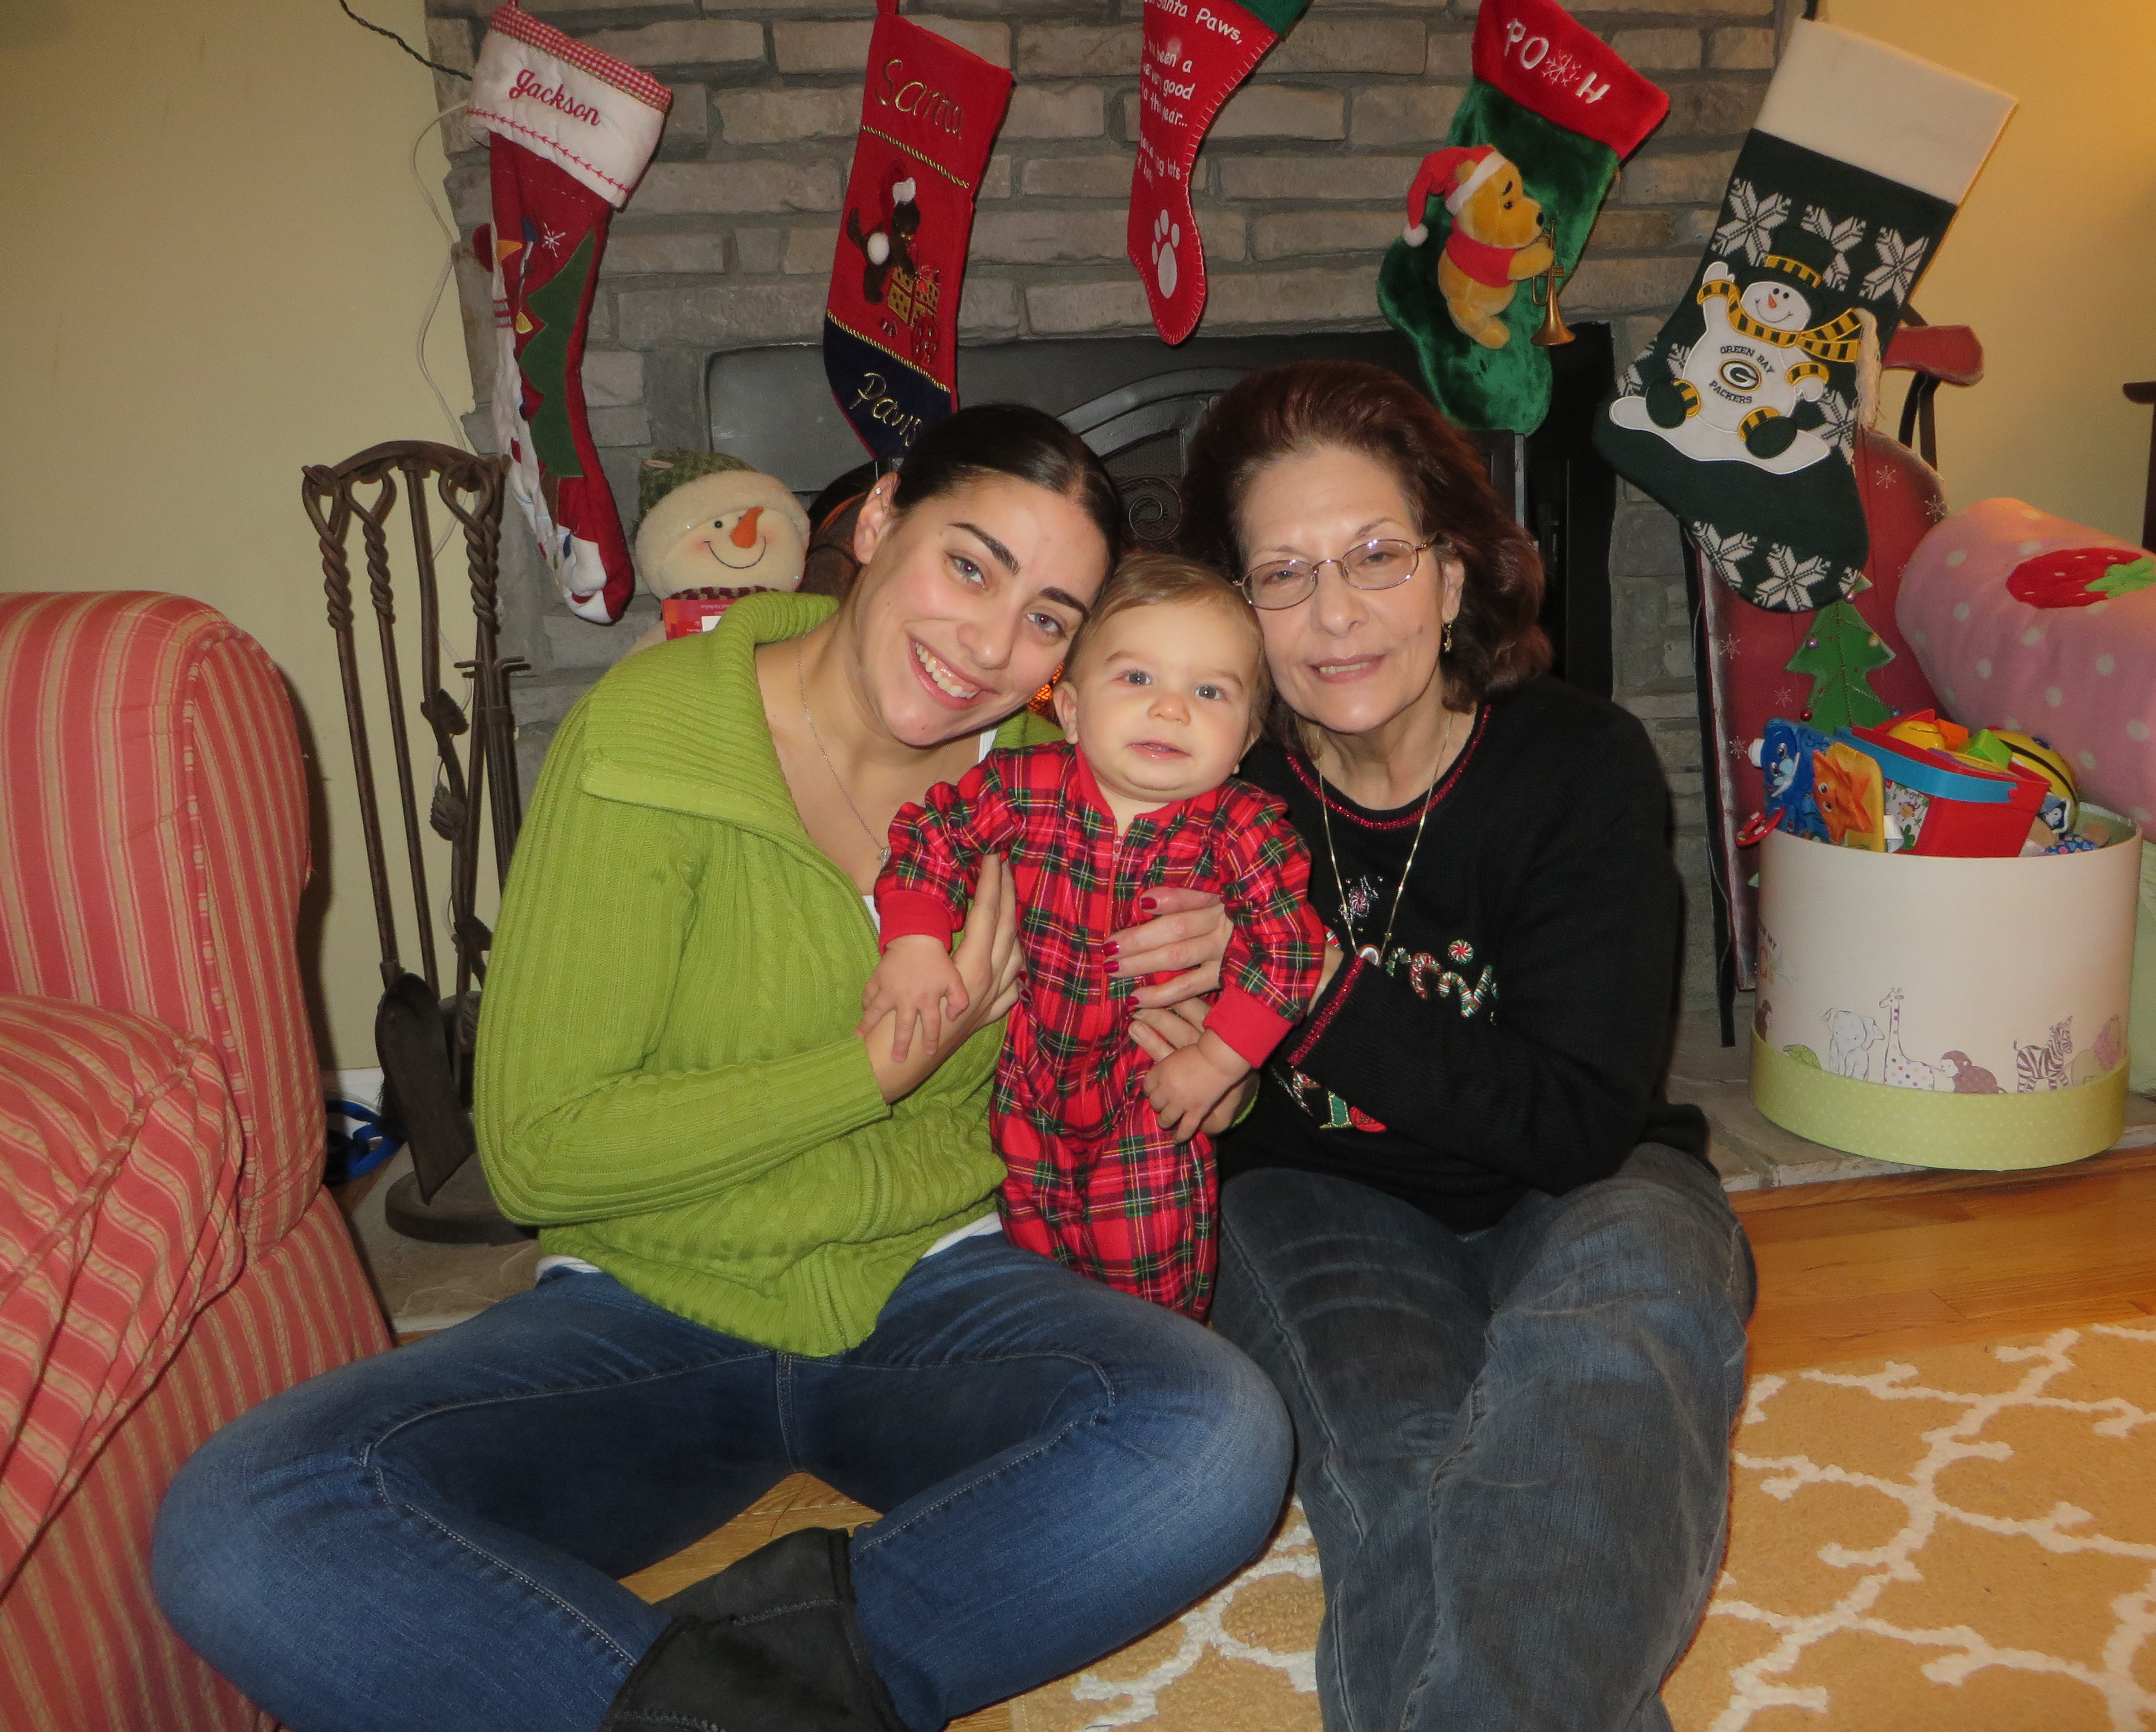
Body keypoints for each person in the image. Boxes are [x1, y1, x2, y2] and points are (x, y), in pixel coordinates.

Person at [150, 405, 1292, 1732]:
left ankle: (700, 1703)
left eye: (1047, 618)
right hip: (646, 1317)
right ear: (877, 520)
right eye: (967, 565)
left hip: (935, 1294)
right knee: (246, 1518)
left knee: (1214, 1436)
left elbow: (1140, 1074)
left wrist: (1204, 1034)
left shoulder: (1072, 783)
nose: (989, 644)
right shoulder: (649, 739)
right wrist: (863, 1072)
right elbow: (534, 1155)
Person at [1138, 359, 1757, 1732]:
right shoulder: (1200, 792)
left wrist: (1298, 987)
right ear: (1232, 608)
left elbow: (1579, 1120)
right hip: (1318, 1199)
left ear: (1452, 573)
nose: (1335, 613)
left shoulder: (1576, 765)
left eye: (1374, 555)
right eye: (1281, 575)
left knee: (1607, 1363)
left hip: (1588, 1181)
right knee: (1405, 1461)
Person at [864, 551, 1326, 1318]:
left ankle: (1156, 1358)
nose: (1171, 709)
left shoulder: (1243, 830)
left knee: (1151, 1279)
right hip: (1023, 1083)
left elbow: (1290, 951)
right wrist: (915, 942)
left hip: (1153, 1088)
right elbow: (932, 836)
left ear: (1246, 738)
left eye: (1209, 692)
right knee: (1030, 1279)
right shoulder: (1022, 787)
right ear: (1072, 710)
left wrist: (1217, 1062)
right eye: (1138, 678)